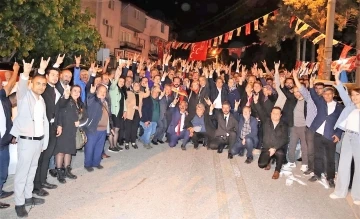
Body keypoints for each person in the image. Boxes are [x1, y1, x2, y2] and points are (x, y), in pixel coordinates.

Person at [11, 59, 50, 217]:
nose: (41, 86)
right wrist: (25, 73)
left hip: (38, 141)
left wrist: (44, 141)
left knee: (32, 171)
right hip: (26, 141)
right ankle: (19, 203)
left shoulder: (41, 100)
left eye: (43, 84)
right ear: (31, 84)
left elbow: (44, 121)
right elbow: (21, 87)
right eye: (38, 83)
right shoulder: (24, 96)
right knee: (22, 173)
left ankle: (27, 197)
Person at [330, 71, 360, 205]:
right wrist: (337, 79)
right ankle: (340, 192)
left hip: (359, 138)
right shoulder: (350, 106)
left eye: (357, 95)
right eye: (353, 95)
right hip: (347, 136)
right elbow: (343, 93)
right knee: (343, 164)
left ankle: (357, 195)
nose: (354, 98)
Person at [308, 78, 344, 188]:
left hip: (330, 135)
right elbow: (313, 94)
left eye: (329, 94)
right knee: (317, 155)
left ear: (333, 94)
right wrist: (311, 83)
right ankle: (317, 174)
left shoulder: (340, 107)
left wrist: (338, 134)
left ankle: (330, 178)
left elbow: (342, 122)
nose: (327, 96)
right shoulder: (320, 103)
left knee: (330, 158)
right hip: (318, 133)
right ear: (322, 95)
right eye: (325, 94)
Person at [54, 85, 88, 183]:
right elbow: (59, 112)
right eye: (75, 90)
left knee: (69, 151)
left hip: (74, 131)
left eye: (79, 91)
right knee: (61, 151)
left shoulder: (80, 104)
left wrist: (80, 122)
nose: (77, 93)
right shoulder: (65, 101)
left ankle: (67, 170)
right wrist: (59, 125)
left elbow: (85, 117)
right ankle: (59, 171)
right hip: (64, 129)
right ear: (70, 91)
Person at [0, 62, 19, 209]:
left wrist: (11, 135)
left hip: (4, 142)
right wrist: (16, 70)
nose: (1, 85)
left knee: (3, 171)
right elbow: (11, 84)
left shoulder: (2, 97)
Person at [83, 84, 114, 172]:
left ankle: (96, 163)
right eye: (101, 91)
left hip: (103, 130)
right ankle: (88, 164)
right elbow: (88, 100)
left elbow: (109, 116)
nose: (103, 93)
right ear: (97, 91)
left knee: (99, 147)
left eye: (104, 92)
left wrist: (110, 127)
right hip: (93, 129)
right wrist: (91, 93)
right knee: (90, 147)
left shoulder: (106, 102)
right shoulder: (94, 101)